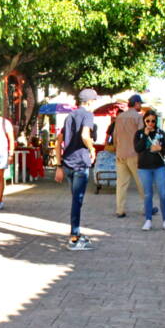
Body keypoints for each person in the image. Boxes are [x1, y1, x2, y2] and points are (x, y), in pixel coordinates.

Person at [55, 88, 98, 250]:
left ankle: (76, 233)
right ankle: (74, 238)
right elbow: (85, 135)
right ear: (90, 101)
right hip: (80, 163)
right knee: (77, 201)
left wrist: (59, 165)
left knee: (76, 201)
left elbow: (58, 141)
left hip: (68, 163)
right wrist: (92, 149)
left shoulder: (70, 116)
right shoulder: (88, 115)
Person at [134, 109, 165, 231]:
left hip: (159, 166)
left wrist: (160, 148)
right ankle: (148, 220)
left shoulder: (161, 133)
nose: (150, 123)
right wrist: (145, 135)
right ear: (144, 121)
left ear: (156, 121)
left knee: (163, 193)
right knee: (147, 194)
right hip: (144, 167)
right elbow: (137, 149)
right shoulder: (139, 133)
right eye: (148, 121)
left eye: (153, 121)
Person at [113, 94, 145, 218]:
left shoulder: (119, 117)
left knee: (121, 184)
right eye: (140, 103)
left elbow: (115, 136)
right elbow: (142, 136)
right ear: (136, 104)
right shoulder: (138, 117)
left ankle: (120, 210)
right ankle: (146, 207)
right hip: (134, 154)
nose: (141, 106)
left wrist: (117, 149)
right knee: (141, 182)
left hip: (120, 154)